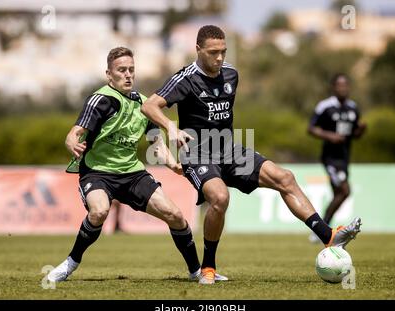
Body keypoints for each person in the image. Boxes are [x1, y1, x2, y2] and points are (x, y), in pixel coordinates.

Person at [141, 25, 362, 285]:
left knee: (285, 178)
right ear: (198, 50)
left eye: (223, 51)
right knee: (220, 197)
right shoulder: (185, 78)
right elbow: (149, 105)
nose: (220, 58)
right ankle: (208, 267)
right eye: (213, 52)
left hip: (229, 150)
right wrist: (171, 127)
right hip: (198, 153)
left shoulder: (231, 74)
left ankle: (328, 235)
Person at [47, 47, 227, 283]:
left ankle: (196, 271)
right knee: (99, 211)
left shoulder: (143, 104)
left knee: (175, 215)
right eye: (121, 70)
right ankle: (71, 262)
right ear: (109, 75)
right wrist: (71, 142)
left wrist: (174, 165)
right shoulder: (101, 100)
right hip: (97, 173)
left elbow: (156, 144)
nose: (128, 75)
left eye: (131, 70)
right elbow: (74, 133)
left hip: (133, 174)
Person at [307, 73, 367, 243]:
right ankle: (321, 229)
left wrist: (361, 130)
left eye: (346, 85)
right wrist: (330, 136)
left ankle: (322, 231)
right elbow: (311, 128)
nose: (343, 88)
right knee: (345, 190)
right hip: (330, 159)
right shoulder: (325, 106)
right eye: (340, 85)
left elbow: (354, 134)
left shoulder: (353, 108)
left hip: (344, 158)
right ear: (334, 87)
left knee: (338, 194)